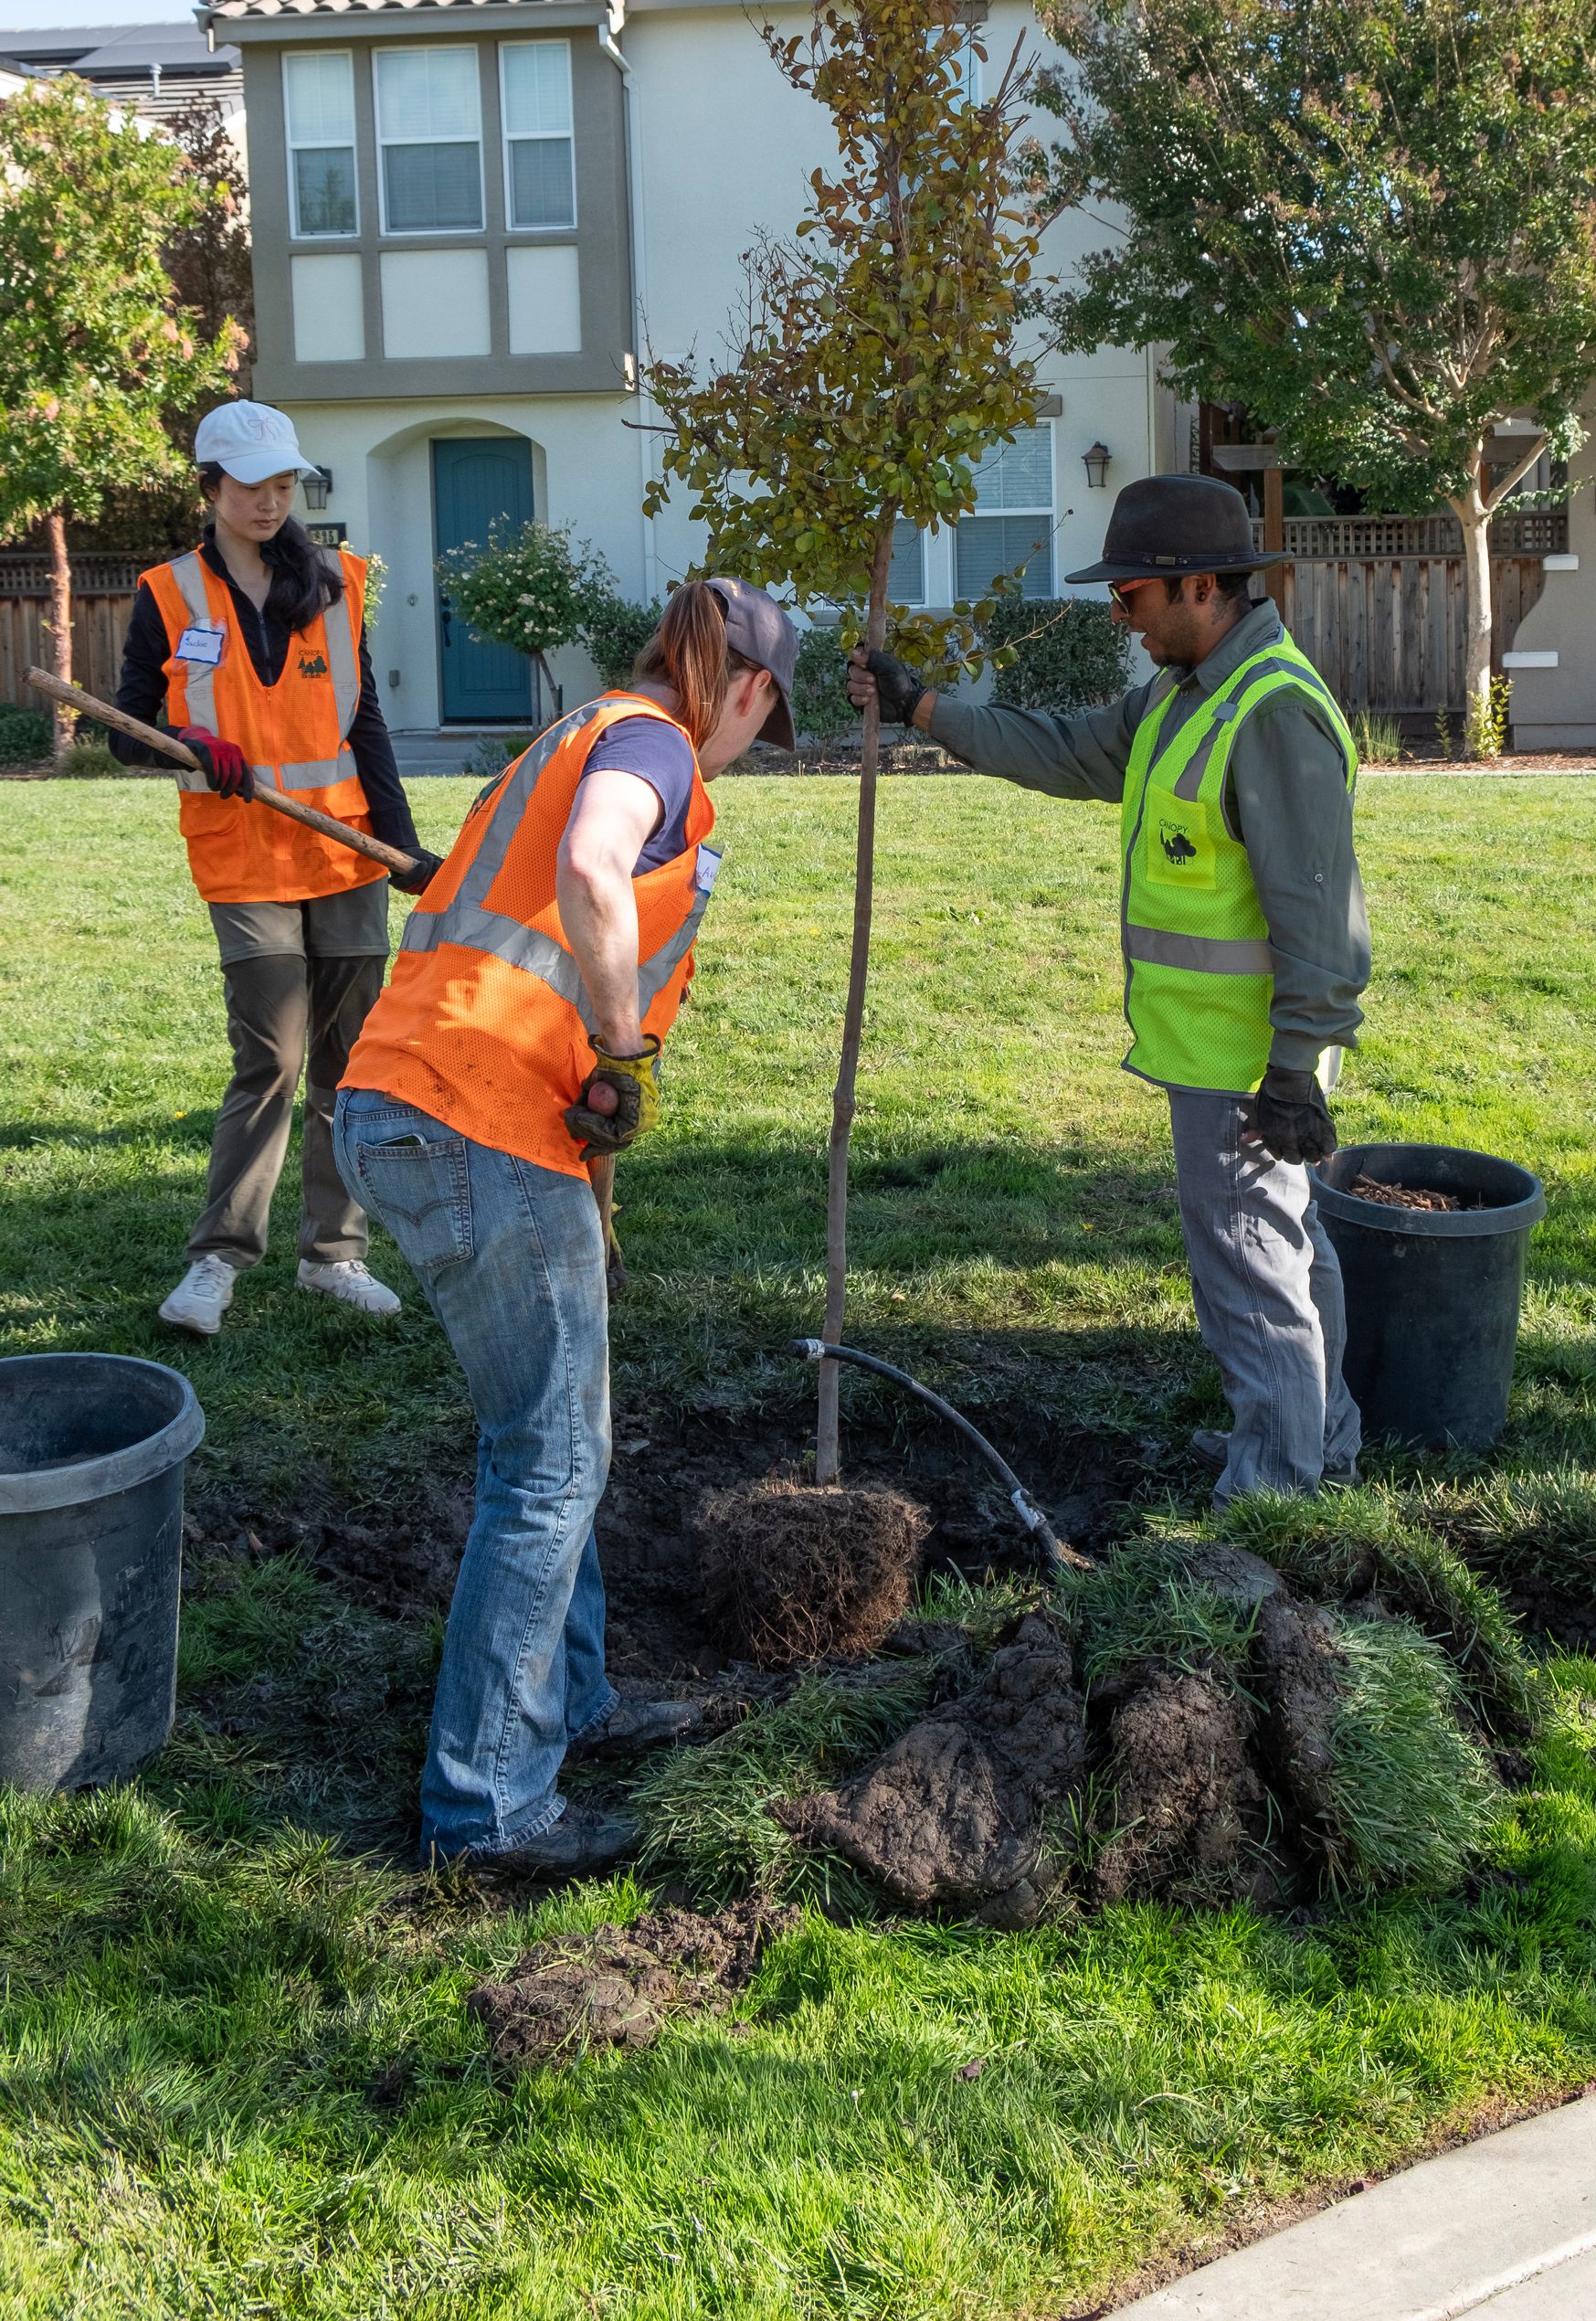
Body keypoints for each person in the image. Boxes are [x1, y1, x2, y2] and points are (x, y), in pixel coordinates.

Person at [333, 576, 799, 1878]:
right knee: (548, 1464)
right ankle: (487, 1810)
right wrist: (620, 1047)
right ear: (747, 689)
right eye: (771, 716)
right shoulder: (651, 746)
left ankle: (570, 1701)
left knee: (549, 1443)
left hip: (406, 1104)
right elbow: (595, 868)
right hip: (472, 1124)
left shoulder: (576, 726)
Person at [849, 473, 1371, 1502]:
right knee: (1287, 1254)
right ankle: (1318, 1449)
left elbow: (1317, 909)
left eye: (1130, 593)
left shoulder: (1266, 712)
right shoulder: (1185, 697)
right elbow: (1061, 749)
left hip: (1246, 1065)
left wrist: (1295, 1066)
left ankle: (1273, 1495)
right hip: (1219, 1051)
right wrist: (922, 707)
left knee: (1250, 1276)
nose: (1118, 613)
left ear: (1203, 586)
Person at [111, 399, 440, 1337]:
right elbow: (125, 733)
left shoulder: (335, 581)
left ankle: (333, 1255)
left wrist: (403, 841)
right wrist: (188, 747)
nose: (269, 500)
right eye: (251, 484)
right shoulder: (167, 592)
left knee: (347, 1061)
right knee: (272, 1057)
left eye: (283, 484)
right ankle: (217, 1262)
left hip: (343, 852)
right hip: (244, 858)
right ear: (210, 488)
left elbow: (364, 721)